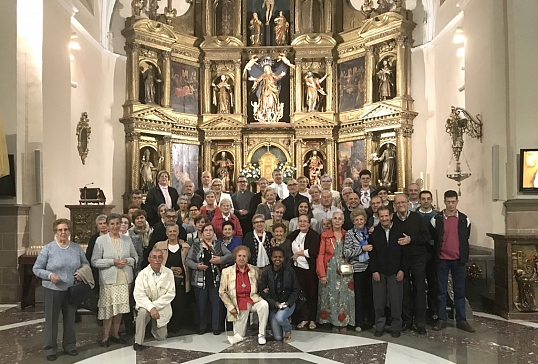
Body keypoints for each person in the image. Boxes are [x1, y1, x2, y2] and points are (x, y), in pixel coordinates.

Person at [33, 219, 89, 361]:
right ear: (55, 232)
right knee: (52, 320)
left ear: (69, 231)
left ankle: (70, 346)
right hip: (52, 289)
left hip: (71, 289)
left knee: (70, 319)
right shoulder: (48, 249)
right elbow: (37, 268)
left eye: (66, 229)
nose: (63, 232)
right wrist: (49, 275)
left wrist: (80, 273)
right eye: (60, 230)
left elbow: (85, 264)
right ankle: (50, 348)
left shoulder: (76, 248)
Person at [91, 213, 138, 347]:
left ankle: (115, 334)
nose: (116, 226)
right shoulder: (101, 241)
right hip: (108, 280)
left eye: (118, 223)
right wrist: (112, 262)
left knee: (120, 309)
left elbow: (135, 258)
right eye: (112, 224)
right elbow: (94, 261)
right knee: (109, 310)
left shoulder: (127, 240)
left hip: (124, 279)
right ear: (107, 225)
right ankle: (105, 337)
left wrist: (127, 261)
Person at [431, 190, 475, 333]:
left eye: (453, 202)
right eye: (448, 202)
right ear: (444, 202)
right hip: (442, 260)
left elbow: (465, 238)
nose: (451, 204)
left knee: (459, 291)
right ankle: (442, 319)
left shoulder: (464, 219)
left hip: (458, 260)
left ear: (457, 202)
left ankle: (461, 320)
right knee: (441, 291)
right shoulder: (436, 219)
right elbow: (434, 238)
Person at [391, 194, 430, 335]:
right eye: (398, 203)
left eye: (403, 202)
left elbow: (426, 237)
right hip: (400, 261)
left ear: (408, 203)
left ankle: (420, 322)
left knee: (419, 290)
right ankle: (407, 320)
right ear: (394, 205)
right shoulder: (392, 220)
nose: (401, 205)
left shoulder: (417, 218)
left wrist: (411, 239)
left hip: (417, 258)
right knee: (404, 291)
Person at [186, 223, 232, 335]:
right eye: (206, 230)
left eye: (210, 230)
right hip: (199, 280)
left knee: (216, 304)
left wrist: (220, 260)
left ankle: (216, 327)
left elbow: (230, 255)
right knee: (201, 304)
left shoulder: (218, 244)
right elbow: (188, 260)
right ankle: (202, 326)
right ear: (202, 233)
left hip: (215, 279)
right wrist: (197, 266)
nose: (208, 232)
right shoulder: (196, 245)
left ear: (214, 232)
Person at [219, 246, 269, 345]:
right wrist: (230, 307)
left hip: (252, 299)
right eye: (239, 256)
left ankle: (262, 334)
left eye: (244, 256)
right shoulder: (227, 272)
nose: (242, 258)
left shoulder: (254, 270)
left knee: (264, 305)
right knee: (239, 336)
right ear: (235, 257)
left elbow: (260, 284)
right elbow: (222, 292)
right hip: (238, 303)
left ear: (247, 258)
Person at [369, 206, 405, 338]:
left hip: (395, 272)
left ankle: (396, 326)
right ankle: (380, 325)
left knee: (396, 301)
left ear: (391, 216)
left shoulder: (400, 231)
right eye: (381, 216)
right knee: (379, 301)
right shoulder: (374, 233)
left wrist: (402, 269)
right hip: (379, 272)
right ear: (378, 217)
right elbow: (372, 253)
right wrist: (374, 270)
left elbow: (404, 253)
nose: (384, 218)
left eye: (386, 216)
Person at [316, 212, 355, 332]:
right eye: (335, 219)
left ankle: (343, 322)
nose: (337, 221)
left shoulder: (347, 234)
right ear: (332, 221)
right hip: (330, 270)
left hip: (345, 270)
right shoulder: (325, 235)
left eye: (339, 219)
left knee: (344, 296)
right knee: (331, 296)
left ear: (343, 221)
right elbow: (321, 254)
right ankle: (333, 322)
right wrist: (322, 273)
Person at [133, 248, 176, 351]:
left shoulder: (168, 273)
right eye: (154, 257)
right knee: (142, 313)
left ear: (163, 259)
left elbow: (170, 294)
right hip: (146, 306)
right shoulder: (142, 274)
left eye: (159, 257)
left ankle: (152, 328)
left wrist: (155, 307)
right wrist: (151, 307)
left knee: (161, 337)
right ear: (149, 259)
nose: (157, 260)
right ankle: (138, 341)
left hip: (161, 307)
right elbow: (139, 295)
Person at [154, 224, 191, 333]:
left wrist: (182, 270)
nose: (172, 233)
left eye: (174, 231)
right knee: (165, 303)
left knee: (179, 304)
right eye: (170, 231)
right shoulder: (159, 246)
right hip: (164, 280)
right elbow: (154, 261)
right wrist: (169, 269)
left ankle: (176, 326)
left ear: (178, 232)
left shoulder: (186, 247)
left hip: (180, 280)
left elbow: (188, 263)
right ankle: (165, 326)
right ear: (166, 233)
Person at [259, 246, 300, 343]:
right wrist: (275, 303)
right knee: (277, 337)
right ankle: (284, 320)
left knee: (280, 318)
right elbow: (262, 292)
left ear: (283, 258)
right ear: (271, 258)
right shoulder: (266, 273)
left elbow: (296, 290)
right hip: (274, 306)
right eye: (275, 257)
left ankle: (288, 329)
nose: (277, 259)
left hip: (288, 303)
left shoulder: (289, 271)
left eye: (280, 257)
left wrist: (288, 303)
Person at [288, 213, 321, 330]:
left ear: (309, 223)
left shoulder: (314, 235)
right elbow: (285, 243)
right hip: (297, 269)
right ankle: (303, 318)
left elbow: (313, 251)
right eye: (300, 221)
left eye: (304, 221)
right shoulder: (294, 234)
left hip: (309, 269)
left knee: (311, 294)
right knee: (301, 295)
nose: (302, 223)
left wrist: (298, 253)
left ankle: (312, 319)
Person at [344, 209, 374, 333]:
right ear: (353, 222)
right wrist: (362, 249)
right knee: (359, 297)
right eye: (357, 220)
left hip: (370, 268)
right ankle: (359, 322)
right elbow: (347, 252)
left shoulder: (370, 232)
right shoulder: (350, 234)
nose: (359, 221)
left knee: (370, 295)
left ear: (365, 220)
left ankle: (371, 320)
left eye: (361, 219)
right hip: (357, 269)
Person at [416, 190, 439, 323]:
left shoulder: (437, 216)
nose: (425, 201)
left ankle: (433, 309)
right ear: (419, 200)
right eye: (423, 199)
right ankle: (419, 310)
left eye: (428, 199)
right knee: (418, 284)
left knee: (433, 283)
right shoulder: (415, 216)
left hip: (432, 254)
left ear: (431, 200)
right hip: (418, 254)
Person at [128, 209, 153, 274]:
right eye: (137, 218)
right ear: (134, 221)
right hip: (136, 262)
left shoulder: (152, 231)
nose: (140, 220)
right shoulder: (129, 233)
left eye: (142, 218)